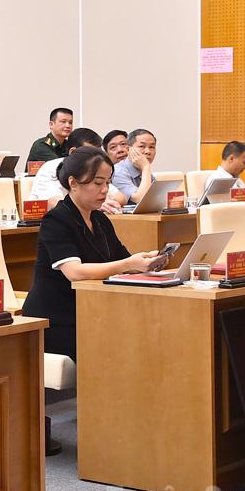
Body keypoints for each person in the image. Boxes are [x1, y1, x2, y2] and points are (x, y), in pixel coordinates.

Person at [22, 147, 160, 360]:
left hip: (93, 311)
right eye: (97, 183)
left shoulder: (100, 219)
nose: (105, 190)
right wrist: (128, 264)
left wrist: (147, 261)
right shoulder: (56, 219)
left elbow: (123, 259)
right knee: (122, 346)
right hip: (57, 319)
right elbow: (74, 272)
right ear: (73, 183)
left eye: (108, 183)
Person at [30, 128, 123, 211]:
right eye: (90, 154)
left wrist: (102, 202)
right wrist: (94, 204)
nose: (96, 160)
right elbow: (56, 204)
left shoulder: (95, 169)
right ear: (73, 152)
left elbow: (121, 198)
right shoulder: (50, 168)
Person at [111, 128, 157, 203]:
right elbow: (140, 199)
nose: (148, 151)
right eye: (142, 146)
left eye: (151, 147)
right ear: (128, 149)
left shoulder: (146, 173)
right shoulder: (118, 172)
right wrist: (146, 167)